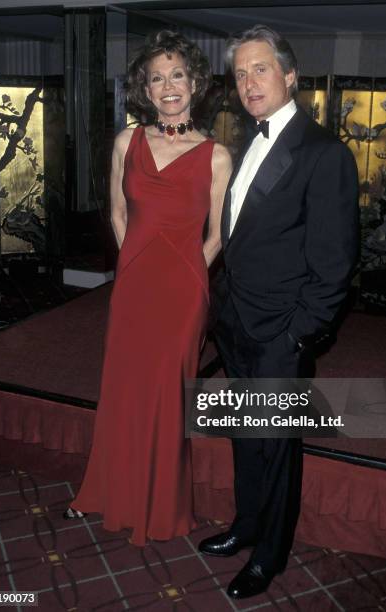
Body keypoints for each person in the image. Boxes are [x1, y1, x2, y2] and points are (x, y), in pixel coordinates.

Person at [199, 25, 359, 599]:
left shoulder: (324, 154)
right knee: (245, 438)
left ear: (290, 75)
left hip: (279, 335)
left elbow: (334, 266)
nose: (248, 82)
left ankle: (269, 555)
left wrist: (298, 336)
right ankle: (244, 527)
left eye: (259, 68)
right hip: (238, 324)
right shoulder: (247, 143)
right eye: (239, 73)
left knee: (277, 450)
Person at [64, 30, 232, 546]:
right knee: (122, 389)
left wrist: (188, 273)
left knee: (165, 393)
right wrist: (134, 261)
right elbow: (116, 212)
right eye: (157, 78)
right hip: (134, 286)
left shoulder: (217, 155)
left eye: (177, 74)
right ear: (146, 89)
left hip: (182, 292)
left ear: (194, 83)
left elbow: (218, 235)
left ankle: (160, 505)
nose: (168, 85)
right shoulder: (126, 142)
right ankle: (104, 491)